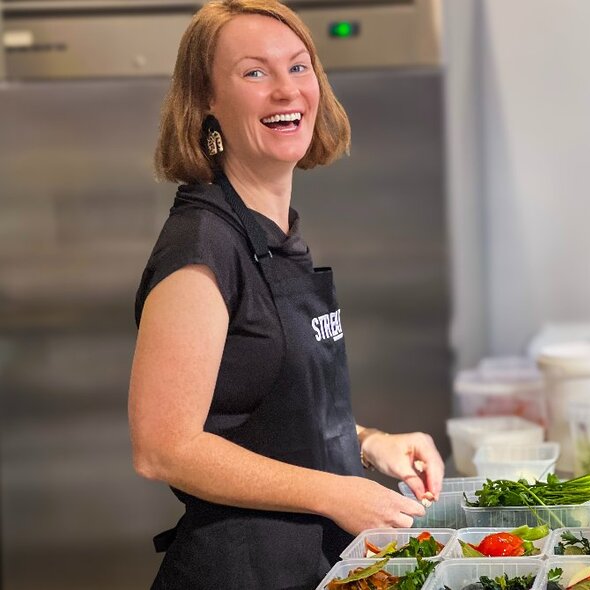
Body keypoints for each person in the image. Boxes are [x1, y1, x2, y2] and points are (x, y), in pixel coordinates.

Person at [127, 1, 444, 587]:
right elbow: (164, 447)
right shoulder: (202, 245)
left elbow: (265, 418)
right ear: (206, 103)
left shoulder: (273, 233)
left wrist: (372, 444)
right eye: (254, 73)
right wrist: (335, 492)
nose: (286, 91)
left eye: (299, 68)